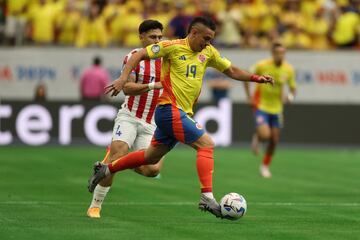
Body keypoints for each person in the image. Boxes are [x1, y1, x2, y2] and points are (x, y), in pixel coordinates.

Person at [88, 16, 274, 219]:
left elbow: (231, 70)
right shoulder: (172, 47)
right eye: (206, 38)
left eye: (211, 39)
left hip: (171, 114)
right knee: (206, 144)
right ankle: (207, 196)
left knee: (151, 162)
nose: (208, 43)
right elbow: (139, 55)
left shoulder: (208, 52)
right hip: (168, 109)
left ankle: (107, 168)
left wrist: (257, 78)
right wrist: (123, 78)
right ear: (193, 33)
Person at [87, 19, 165, 218]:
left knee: (153, 170)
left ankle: (117, 162)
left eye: (159, 37)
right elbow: (127, 88)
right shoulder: (133, 57)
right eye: (152, 37)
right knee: (116, 155)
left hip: (151, 122)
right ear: (141, 37)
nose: (157, 41)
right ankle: (95, 206)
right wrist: (151, 85)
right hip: (129, 116)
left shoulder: (167, 58)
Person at [244, 41, 296, 178]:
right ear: (273, 53)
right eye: (278, 53)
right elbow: (247, 76)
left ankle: (264, 166)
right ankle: (258, 137)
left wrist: (290, 97)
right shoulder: (262, 65)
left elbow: (292, 88)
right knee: (266, 135)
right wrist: (249, 97)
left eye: (283, 53)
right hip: (261, 105)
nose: (281, 55)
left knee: (274, 140)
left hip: (277, 108)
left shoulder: (288, 69)